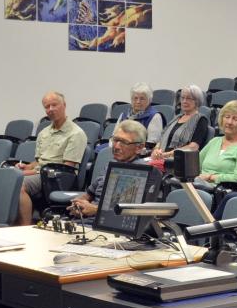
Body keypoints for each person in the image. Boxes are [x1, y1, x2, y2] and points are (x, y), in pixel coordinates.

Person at [17, 91, 88, 225]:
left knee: (18, 185)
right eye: (47, 106)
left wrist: (29, 172)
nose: (50, 109)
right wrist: (25, 167)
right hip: (40, 172)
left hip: (57, 177)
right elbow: (38, 162)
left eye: (54, 105)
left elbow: (68, 167)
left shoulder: (76, 133)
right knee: (3, 179)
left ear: (64, 105)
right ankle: (9, 223)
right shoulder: (44, 133)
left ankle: (24, 227)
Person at [68, 120, 149, 217]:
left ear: (139, 148)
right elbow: (89, 194)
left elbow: (126, 212)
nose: (116, 146)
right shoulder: (111, 164)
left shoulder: (141, 172)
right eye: (115, 140)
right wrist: (79, 204)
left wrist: (95, 210)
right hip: (89, 220)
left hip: (110, 226)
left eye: (124, 142)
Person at [194, 100, 237, 186]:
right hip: (199, 185)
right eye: (227, 117)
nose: (229, 122)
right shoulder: (214, 141)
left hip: (221, 192)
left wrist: (212, 177)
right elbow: (195, 165)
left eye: (235, 119)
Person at [151, 84, 210, 161]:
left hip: (181, 161)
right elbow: (162, 139)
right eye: (182, 98)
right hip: (162, 158)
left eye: (189, 98)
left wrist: (167, 155)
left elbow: (193, 147)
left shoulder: (201, 120)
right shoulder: (176, 118)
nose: (184, 101)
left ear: (197, 101)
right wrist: (156, 150)